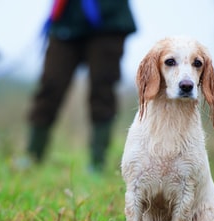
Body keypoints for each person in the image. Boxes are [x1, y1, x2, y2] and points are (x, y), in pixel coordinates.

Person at [26, 0, 136, 171]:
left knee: (102, 90)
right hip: (66, 21)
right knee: (50, 86)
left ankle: (97, 162)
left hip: (108, 22)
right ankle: (32, 157)